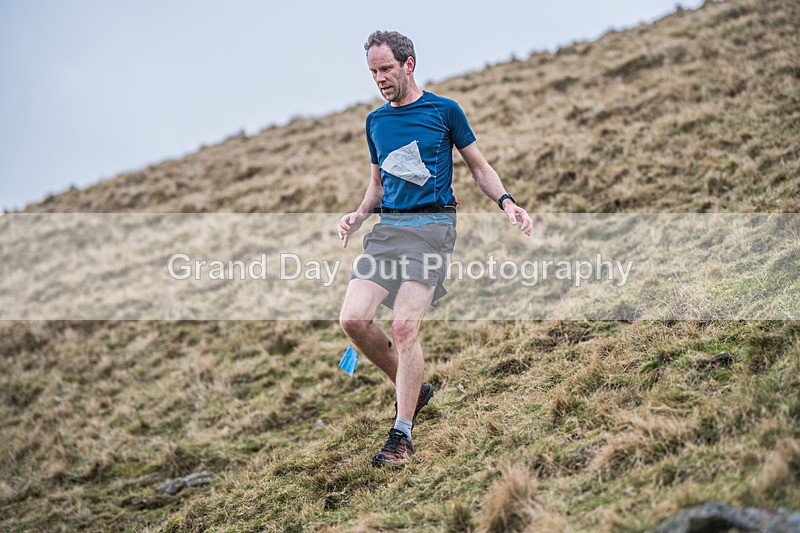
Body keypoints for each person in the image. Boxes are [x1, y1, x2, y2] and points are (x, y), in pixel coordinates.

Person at [338, 31, 533, 467]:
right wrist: (358, 214)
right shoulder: (376, 122)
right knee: (353, 318)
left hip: (433, 225)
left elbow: (479, 167)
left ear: (409, 64)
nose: (380, 79)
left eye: (386, 69)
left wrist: (507, 203)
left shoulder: (445, 111)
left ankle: (401, 434)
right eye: (373, 72)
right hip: (389, 229)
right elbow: (377, 183)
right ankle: (414, 388)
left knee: (404, 327)